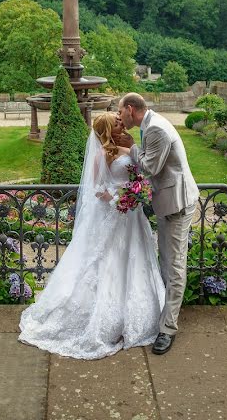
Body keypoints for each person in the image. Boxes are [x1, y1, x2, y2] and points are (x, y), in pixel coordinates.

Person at [18, 112, 165, 359]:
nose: (121, 123)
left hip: (133, 216)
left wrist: (137, 191)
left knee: (135, 258)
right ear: (108, 129)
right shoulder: (100, 156)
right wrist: (118, 198)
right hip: (114, 215)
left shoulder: (128, 145)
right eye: (116, 123)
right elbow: (96, 189)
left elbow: (139, 174)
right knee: (107, 262)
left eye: (121, 121)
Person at [116, 93, 199, 355]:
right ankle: (163, 315)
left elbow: (150, 167)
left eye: (121, 112)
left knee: (174, 266)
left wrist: (130, 147)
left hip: (177, 203)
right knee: (165, 262)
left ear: (131, 109)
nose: (119, 117)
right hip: (167, 201)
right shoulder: (149, 126)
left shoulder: (156, 130)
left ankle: (168, 329)